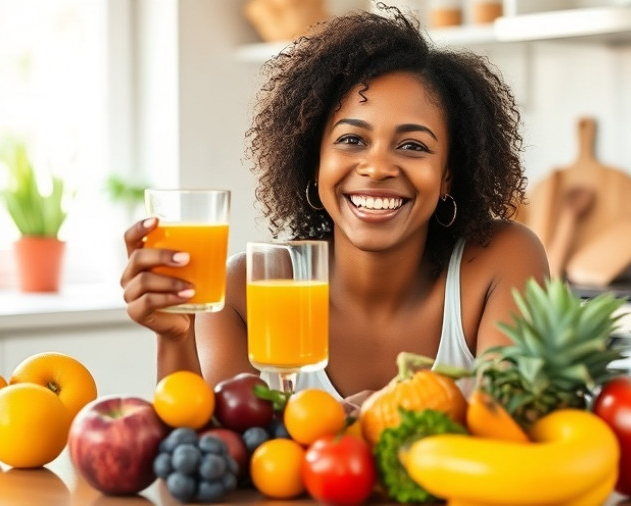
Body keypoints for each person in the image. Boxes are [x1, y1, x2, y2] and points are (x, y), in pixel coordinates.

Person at [120, 5, 548, 408]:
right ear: (314, 161)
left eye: (413, 146)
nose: (377, 167)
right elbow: (213, 456)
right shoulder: (243, 290)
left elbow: (508, 423)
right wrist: (176, 338)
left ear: (448, 175)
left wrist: (369, 419)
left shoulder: (501, 260)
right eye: (352, 140)